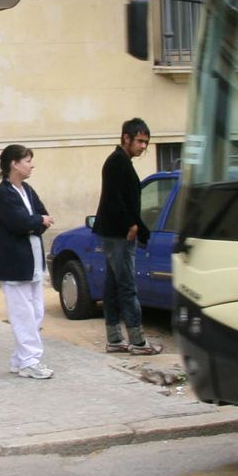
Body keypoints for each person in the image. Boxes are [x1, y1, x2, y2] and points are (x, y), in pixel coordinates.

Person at [92, 118, 162, 355]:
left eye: (146, 142)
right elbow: (115, 201)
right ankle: (138, 341)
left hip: (115, 232)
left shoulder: (121, 161)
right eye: (140, 141)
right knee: (127, 287)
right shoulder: (116, 162)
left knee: (113, 286)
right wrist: (132, 225)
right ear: (126, 138)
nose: (143, 147)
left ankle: (114, 339)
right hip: (118, 234)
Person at [0, 144, 55, 379]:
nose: (32, 165)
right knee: (22, 314)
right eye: (27, 161)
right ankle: (30, 360)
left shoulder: (26, 189)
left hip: (33, 261)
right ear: (14, 164)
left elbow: (41, 219)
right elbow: (19, 222)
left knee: (36, 311)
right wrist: (36, 220)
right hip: (14, 264)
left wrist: (36, 221)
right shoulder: (2, 194)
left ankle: (20, 359)